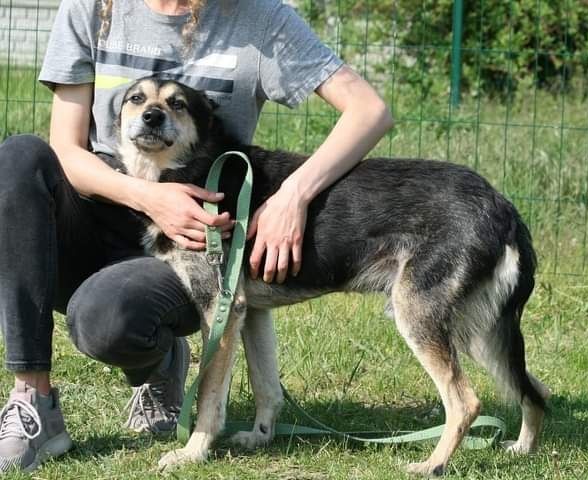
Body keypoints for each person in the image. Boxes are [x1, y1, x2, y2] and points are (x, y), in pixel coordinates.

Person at [0, 0, 392, 472]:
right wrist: (147, 198)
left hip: (195, 237)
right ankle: (33, 399)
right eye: (139, 102)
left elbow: (369, 110)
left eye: (170, 106)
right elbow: (65, 146)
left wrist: (293, 196)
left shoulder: (261, 17)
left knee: (103, 320)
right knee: (18, 156)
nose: (152, 112)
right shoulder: (92, 6)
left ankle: (158, 358)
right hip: (101, 208)